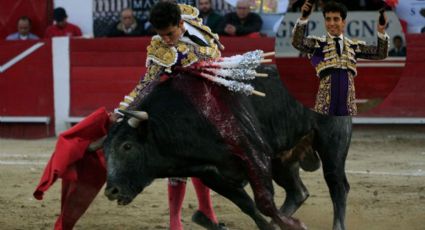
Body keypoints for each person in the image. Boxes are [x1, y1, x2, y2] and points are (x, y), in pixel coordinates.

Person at [114, 3, 227, 229]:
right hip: (179, 111)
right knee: (180, 164)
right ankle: (175, 222)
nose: (165, 39)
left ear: (181, 24)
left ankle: (206, 210)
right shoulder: (160, 51)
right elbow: (145, 85)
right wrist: (122, 110)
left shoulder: (194, 23)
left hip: (207, 105)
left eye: (169, 34)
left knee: (203, 162)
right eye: (160, 34)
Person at [292, 0, 389, 116]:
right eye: (328, 19)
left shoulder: (354, 46)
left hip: (348, 101)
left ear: (343, 22)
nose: (331, 23)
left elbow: (380, 53)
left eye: (336, 19)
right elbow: (297, 43)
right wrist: (303, 18)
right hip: (325, 100)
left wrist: (381, 31)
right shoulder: (317, 44)